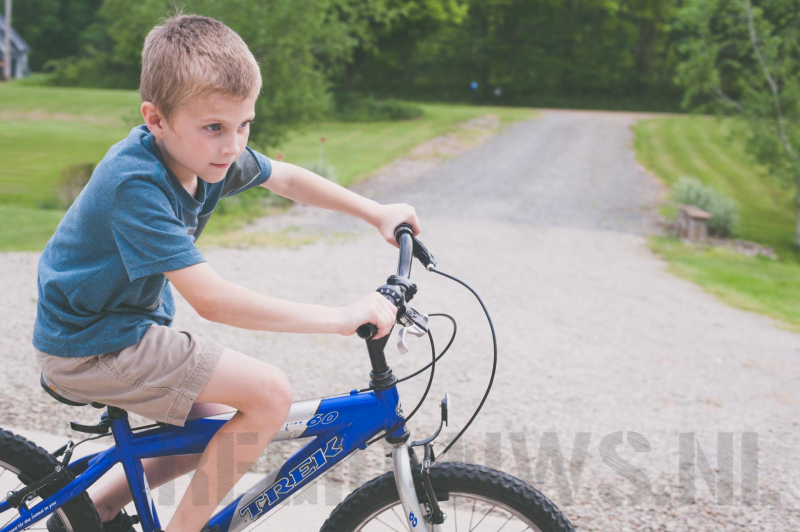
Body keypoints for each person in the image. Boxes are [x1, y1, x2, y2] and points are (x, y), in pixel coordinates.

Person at [33, 12, 420, 532]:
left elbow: (285, 178)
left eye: (244, 124)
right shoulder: (136, 185)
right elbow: (212, 300)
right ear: (156, 119)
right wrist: (338, 317)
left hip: (120, 328)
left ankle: (92, 511)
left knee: (217, 425)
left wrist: (376, 212)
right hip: (91, 344)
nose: (233, 145)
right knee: (268, 394)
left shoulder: (202, 156)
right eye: (215, 126)